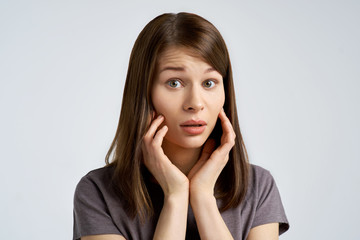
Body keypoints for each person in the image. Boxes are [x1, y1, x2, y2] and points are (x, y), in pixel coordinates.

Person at [73, 12, 289, 240]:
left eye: (209, 83)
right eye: (174, 83)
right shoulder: (98, 192)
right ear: (144, 94)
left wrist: (203, 196)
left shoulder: (257, 187)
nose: (195, 103)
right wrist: (175, 196)